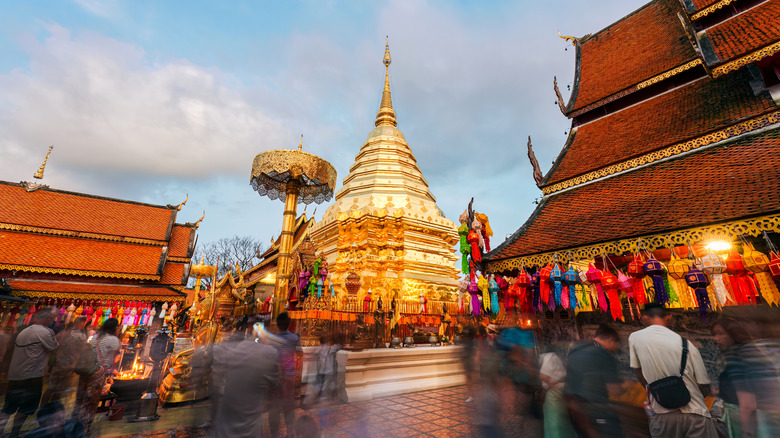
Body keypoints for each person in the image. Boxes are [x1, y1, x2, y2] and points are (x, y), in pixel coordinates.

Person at [629, 303, 717, 438]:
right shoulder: (687, 345)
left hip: (662, 415)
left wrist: (660, 391)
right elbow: (703, 385)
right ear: (668, 317)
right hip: (695, 413)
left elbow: (640, 374)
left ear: (645, 317)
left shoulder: (635, 338)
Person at [0, 307, 59, 437]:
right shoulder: (45, 332)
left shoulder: (24, 331)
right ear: (47, 318)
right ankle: (14, 434)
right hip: (32, 376)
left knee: (8, 407)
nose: (53, 320)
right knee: (26, 408)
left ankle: (1, 431)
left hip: (15, 375)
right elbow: (55, 349)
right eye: (52, 318)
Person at [213, 323, 280, 438]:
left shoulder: (235, 349)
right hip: (248, 422)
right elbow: (275, 384)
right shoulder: (268, 353)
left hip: (227, 419)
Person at [565, 324, 625, 438]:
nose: (616, 348)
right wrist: (624, 388)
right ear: (611, 340)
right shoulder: (604, 355)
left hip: (575, 410)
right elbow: (615, 390)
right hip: (596, 409)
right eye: (617, 344)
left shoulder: (575, 351)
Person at [75, 318, 120, 437]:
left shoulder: (95, 337)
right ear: (115, 328)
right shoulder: (114, 340)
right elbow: (111, 358)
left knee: (81, 395)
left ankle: (75, 421)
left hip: (87, 368)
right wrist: (112, 370)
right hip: (98, 370)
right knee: (91, 399)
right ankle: (84, 427)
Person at [711, 318, 750, 438]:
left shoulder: (739, 358)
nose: (716, 339)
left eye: (720, 333)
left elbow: (748, 401)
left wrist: (746, 432)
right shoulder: (733, 356)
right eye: (714, 334)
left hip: (742, 420)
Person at [267, 312, 301, 438]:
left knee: (274, 406)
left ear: (277, 324)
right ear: (289, 324)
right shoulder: (294, 338)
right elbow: (299, 352)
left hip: (275, 375)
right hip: (289, 375)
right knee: (288, 406)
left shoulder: (272, 339)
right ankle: (290, 432)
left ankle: (274, 434)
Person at [42, 316, 88, 405]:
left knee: (50, 388)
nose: (84, 326)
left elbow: (53, 348)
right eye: (84, 324)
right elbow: (84, 352)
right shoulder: (81, 336)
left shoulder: (62, 333)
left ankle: (41, 409)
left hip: (58, 364)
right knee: (59, 390)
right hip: (69, 366)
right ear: (82, 323)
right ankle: (52, 410)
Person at [539, 346, 576, 438]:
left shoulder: (553, 357)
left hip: (557, 394)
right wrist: (554, 385)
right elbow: (543, 375)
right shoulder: (550, 356)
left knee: (560, 422)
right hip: (554, 395)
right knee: (555, 422)